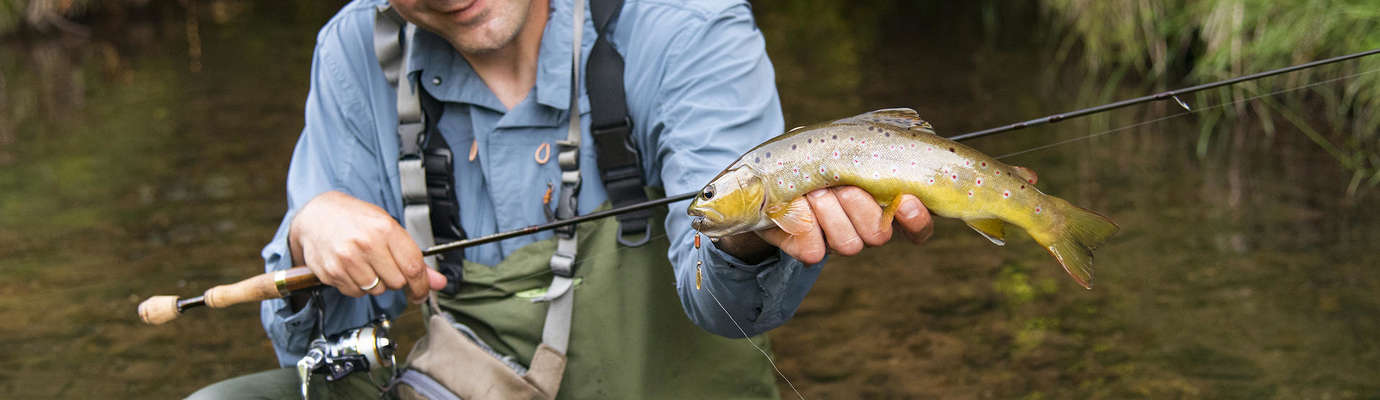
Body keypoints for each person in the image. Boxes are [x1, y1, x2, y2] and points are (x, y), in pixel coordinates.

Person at [190, 0, 934, 398]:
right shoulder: (357, 51)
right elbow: (320, 352)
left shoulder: (685, 25)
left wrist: (745, 236)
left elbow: (731, 308)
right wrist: (310, 232)